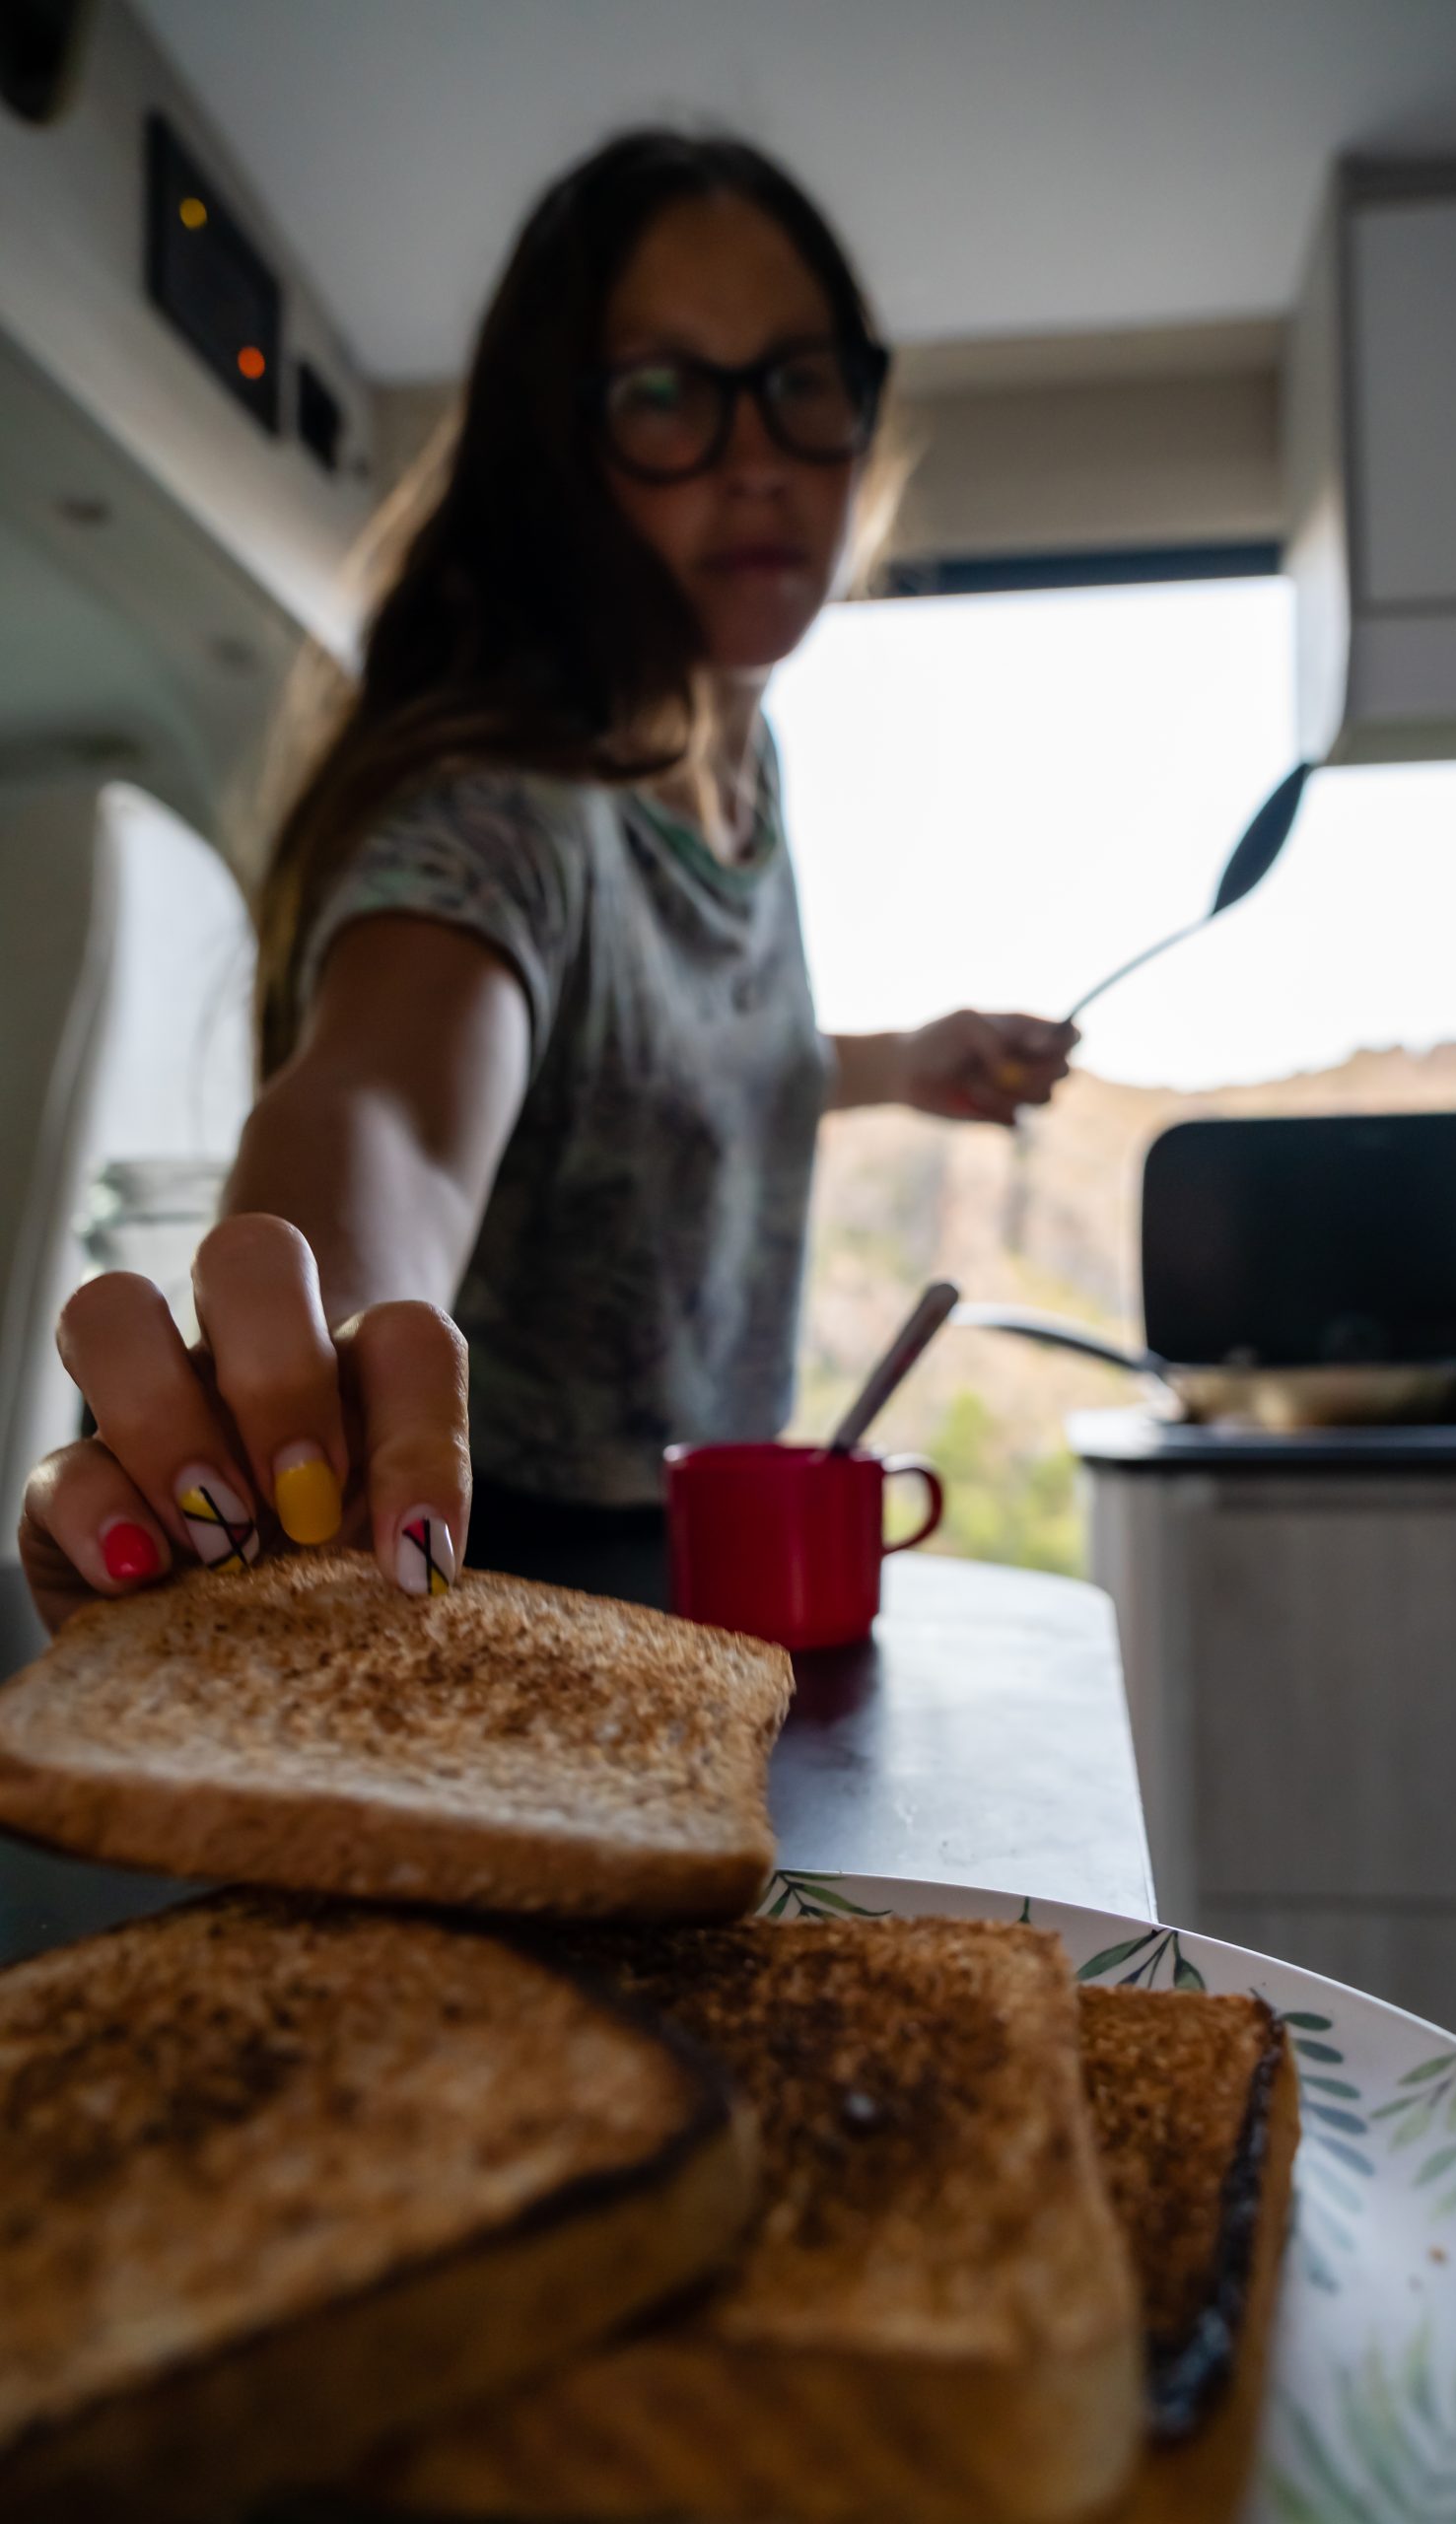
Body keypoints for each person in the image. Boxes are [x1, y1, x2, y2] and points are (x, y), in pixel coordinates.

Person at [21, 127, 1076, 1633]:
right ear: (563, 455)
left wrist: (900, 1063)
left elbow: (651, 1061)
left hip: (691, 1585)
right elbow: (391, 1102)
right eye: (666, 396)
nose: (758, 453)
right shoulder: (506, 805)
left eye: (801, 382)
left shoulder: (741, 778)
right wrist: (304, 1375)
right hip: (472, 1603)